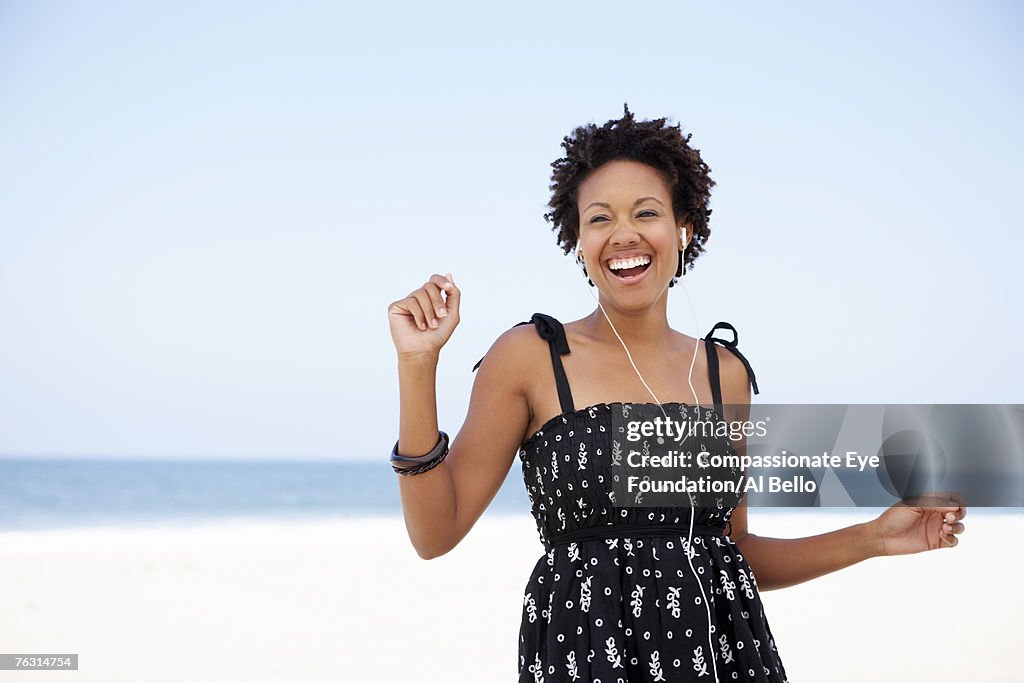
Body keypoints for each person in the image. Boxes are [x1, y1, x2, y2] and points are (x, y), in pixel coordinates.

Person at [386, 104, 967, 682]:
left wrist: (874, 537)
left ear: (683, 228)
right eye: (599, 218)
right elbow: (435, 534)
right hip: (585, 657)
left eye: (646, 212)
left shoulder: (724, 373)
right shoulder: (532, 357)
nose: (624, 235)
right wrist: (417, 366)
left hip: (728, 659)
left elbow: (732, 553)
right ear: (578, 239)